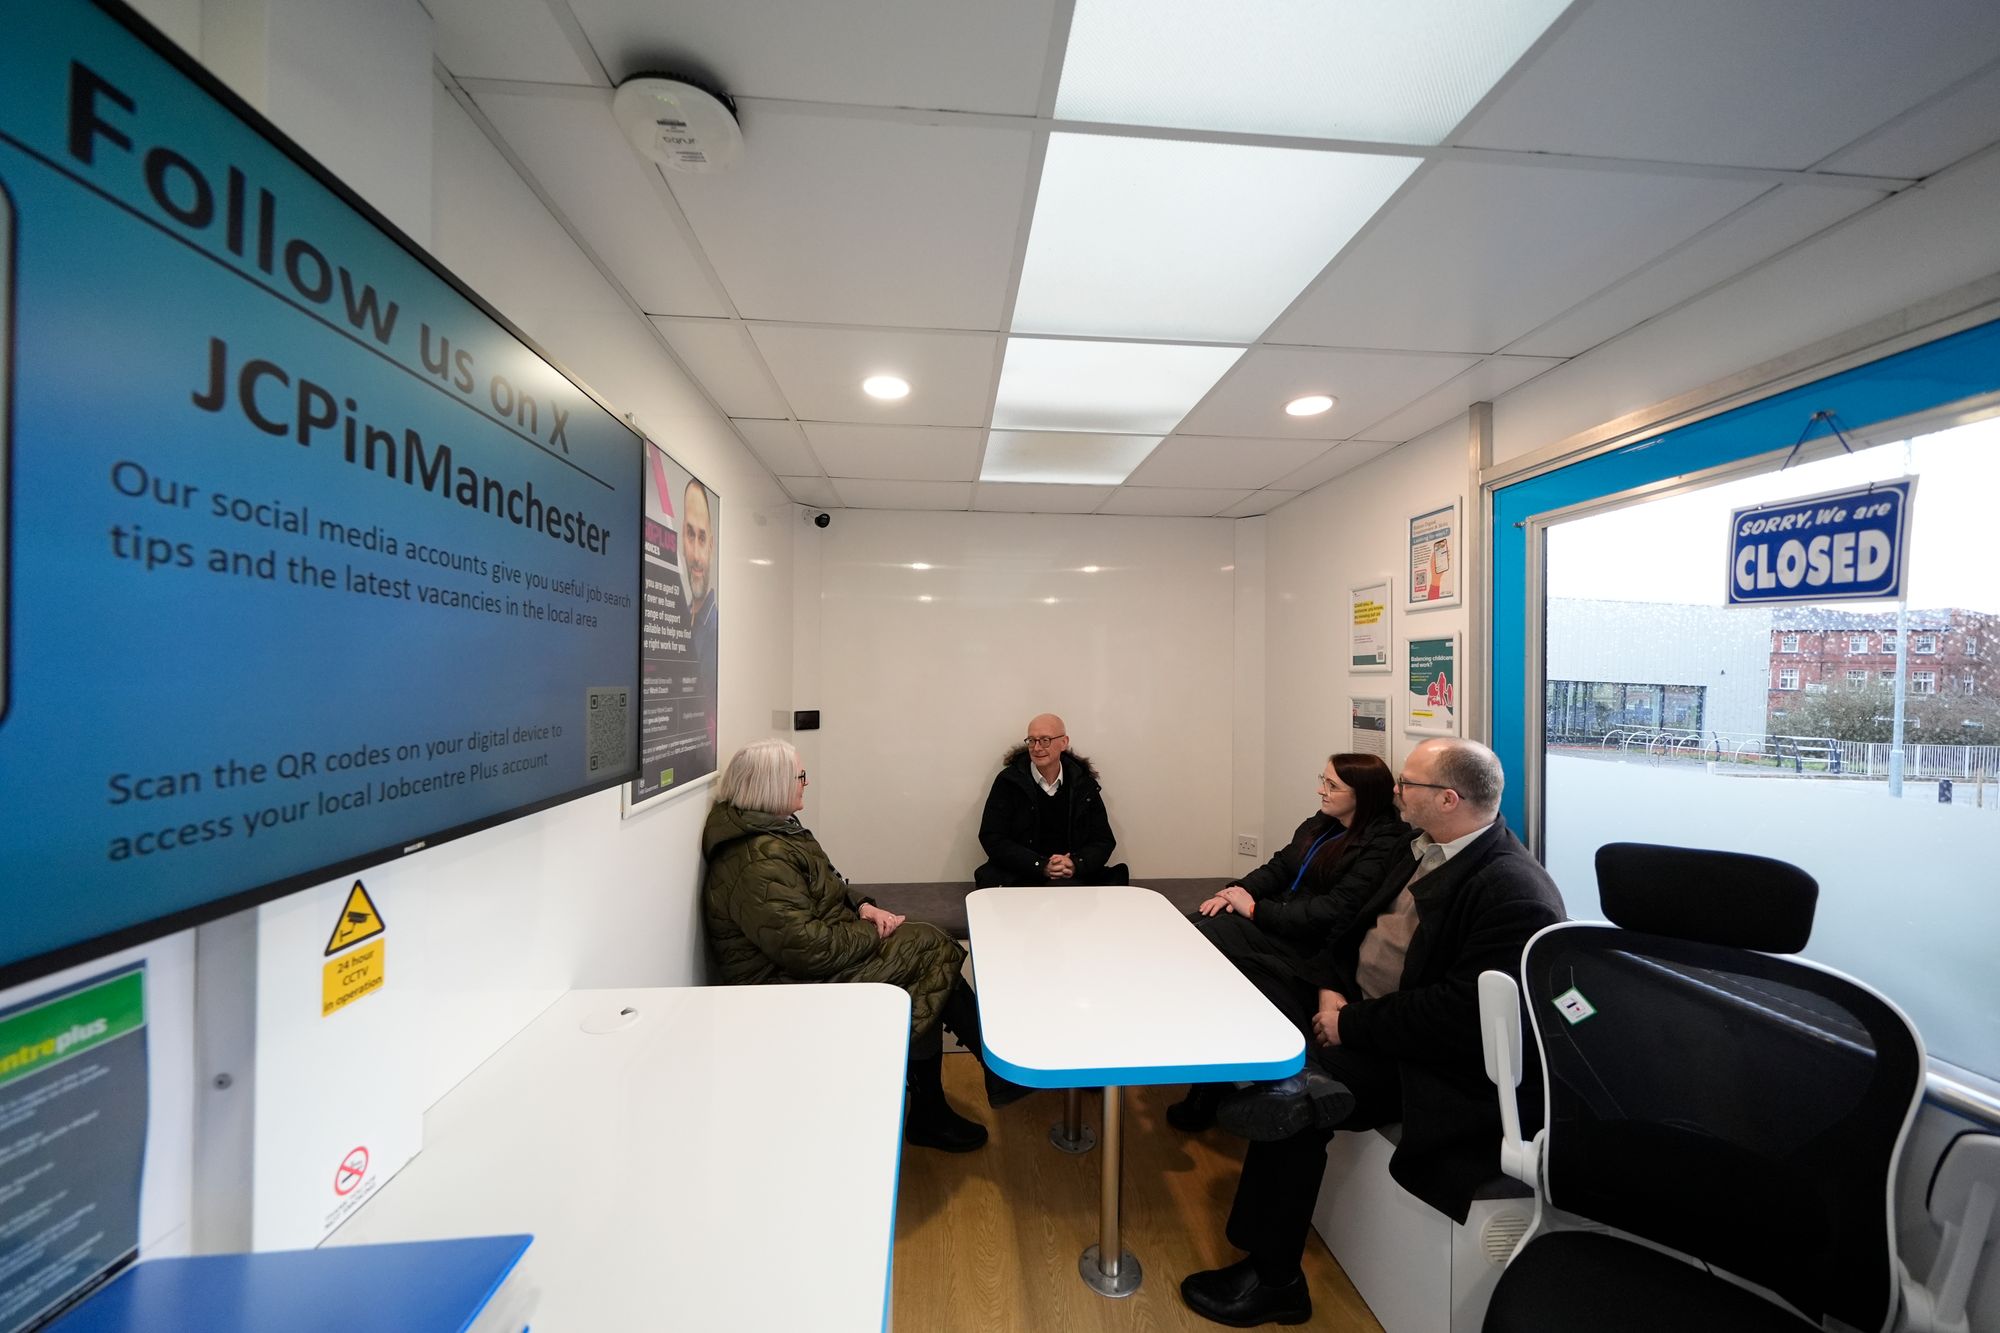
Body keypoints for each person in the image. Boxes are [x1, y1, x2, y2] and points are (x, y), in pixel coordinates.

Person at [1178, 739, 1565, 1328]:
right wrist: (1330, 988)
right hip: (1353, 1006)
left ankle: (1276, 1280)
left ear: (1449, 798)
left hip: (1419, 1058)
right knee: (1237, 969)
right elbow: (1350, 927)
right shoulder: (1420, 848)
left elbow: (1454, 1017)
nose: (1397, 792)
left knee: (1294, 1107)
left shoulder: (1511, 889)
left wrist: (1348, 1024)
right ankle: (1251, 1077)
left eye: (1408, 783)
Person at [703, 739, 1028, 1153]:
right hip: (781, 987)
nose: (806, 782)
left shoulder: (775, 833)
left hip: (808, 960)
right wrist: (873, 932)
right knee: (930, 952)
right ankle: (964, 1091)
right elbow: (807, 951)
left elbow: (828, 885)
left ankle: (948, 1100)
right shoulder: (756, 859)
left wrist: (864, 907)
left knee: (928, 957)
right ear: (772, 785)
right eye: (800, 776)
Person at [1166, 752, 1409, 1132]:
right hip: (1279, 923)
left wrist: (1254, 911)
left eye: (1332, 785)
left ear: (1362, 795)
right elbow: (1279, 867)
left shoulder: (1383, 843)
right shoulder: (1322, 823)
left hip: (1309, 945)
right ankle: (1211, 1080)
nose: (1321, 790)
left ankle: (1220, 1084)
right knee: (1195, 928)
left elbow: (1333, 911)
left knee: (1210, 941)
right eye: (1322, 780)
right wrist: (1235, 892)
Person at [973, 713, 1127, 887]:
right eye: (1031, 741)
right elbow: (992, 837)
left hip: (1073, 877)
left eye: (1045, 740)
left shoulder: (1083, 784)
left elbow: (1103, 840)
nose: (1037, 748)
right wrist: (1040, 865)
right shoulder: (1009, 782)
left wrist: (1075, 864)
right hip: (1020, 875)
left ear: (1064, 742)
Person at [682, 480, 718, 772]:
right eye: (690, 534)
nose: (695, 554)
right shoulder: (679, 625)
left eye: (702, 538)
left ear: (712, 546)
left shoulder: (717, 633)